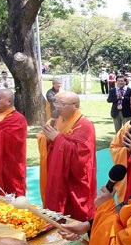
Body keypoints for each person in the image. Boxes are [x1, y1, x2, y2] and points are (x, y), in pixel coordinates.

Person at [36, 91, 97, 221]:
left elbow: (82, 153)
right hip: (55, 168)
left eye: (62, 103)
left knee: (74, 209)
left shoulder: (85, 125)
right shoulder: (55, 120)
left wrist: (58, 138)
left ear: (75, 105)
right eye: (56, 102)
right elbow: (42, 135)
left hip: (74, 176)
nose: (57, 106)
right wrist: (47, 138)